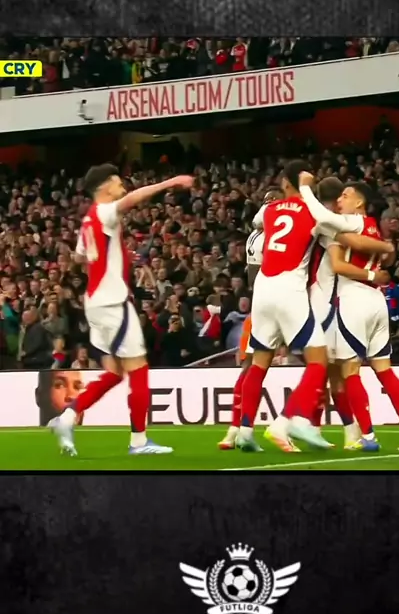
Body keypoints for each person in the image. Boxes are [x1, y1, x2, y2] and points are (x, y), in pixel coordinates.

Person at [235, 161, 395, 453]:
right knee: (321, 363)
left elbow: (259, 220)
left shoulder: (269, 210)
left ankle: (244, 430)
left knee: (260, 363)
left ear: (285, 184)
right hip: (303, 295)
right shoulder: (317, 215)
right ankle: (292, 422)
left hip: (263, 289)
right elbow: (348, 241)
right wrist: (384, 248)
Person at [52, 164, 194, 456]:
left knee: (116, 372)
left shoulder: (88, 220)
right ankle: (139, 442)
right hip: (113, 302)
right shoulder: (105, 211)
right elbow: (132, 200)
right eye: (118, 182)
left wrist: (107, 261)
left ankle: (67, 417)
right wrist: (170, 182)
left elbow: (79, 257)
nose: (122, 186)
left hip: (96, 303)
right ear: (105, 186)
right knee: (139, 368)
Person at [321, 182, 399, 452]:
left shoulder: (345, 224)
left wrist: (370, 274)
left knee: (350, 370)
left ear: (359, 202)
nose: (340, 200)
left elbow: (339, 266)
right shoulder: (374, 228)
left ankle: (367, 435)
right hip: (377, 300)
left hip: (354, 297)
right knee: (383, 368)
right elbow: (387, 258)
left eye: (346, 196)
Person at [218, 190, 278, 451]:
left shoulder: (254, 234)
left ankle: (235, 430)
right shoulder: (274, 233)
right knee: (319, 360)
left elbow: (253, 276)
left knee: (249, 369)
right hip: (278, 304)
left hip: (258, 306)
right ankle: (289, 425)